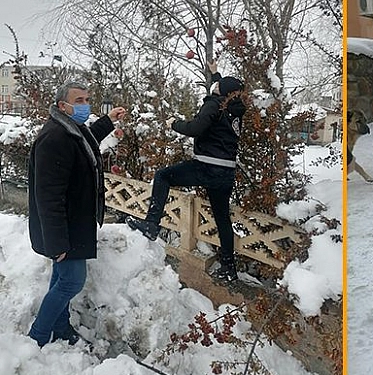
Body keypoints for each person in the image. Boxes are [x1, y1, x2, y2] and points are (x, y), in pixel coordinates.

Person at [126, 60, 246, 282]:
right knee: (222, 219)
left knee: (163, 176)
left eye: (217, 87)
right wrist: (215, 73)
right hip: (226, 173)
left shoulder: (214, 104)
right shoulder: (235, 109)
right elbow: (223, 87)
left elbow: (195, 128)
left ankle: (151, 224)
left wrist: (174, 123)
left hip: (206, 167)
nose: (214, 88)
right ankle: (229, 268)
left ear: (222, 92)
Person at [28, 81, 126, 347]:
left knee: (61, 277)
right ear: (63, 105)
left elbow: (87, 138)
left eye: (86, 99)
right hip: (65, 226)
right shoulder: (54, 138)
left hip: (74, 221)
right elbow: (47, 196)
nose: (85, 105)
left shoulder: (69, 128)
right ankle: (37, 336)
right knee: (72, 281)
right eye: (79, 100)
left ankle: (60, 326)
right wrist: (57, 242)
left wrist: (108, 120)